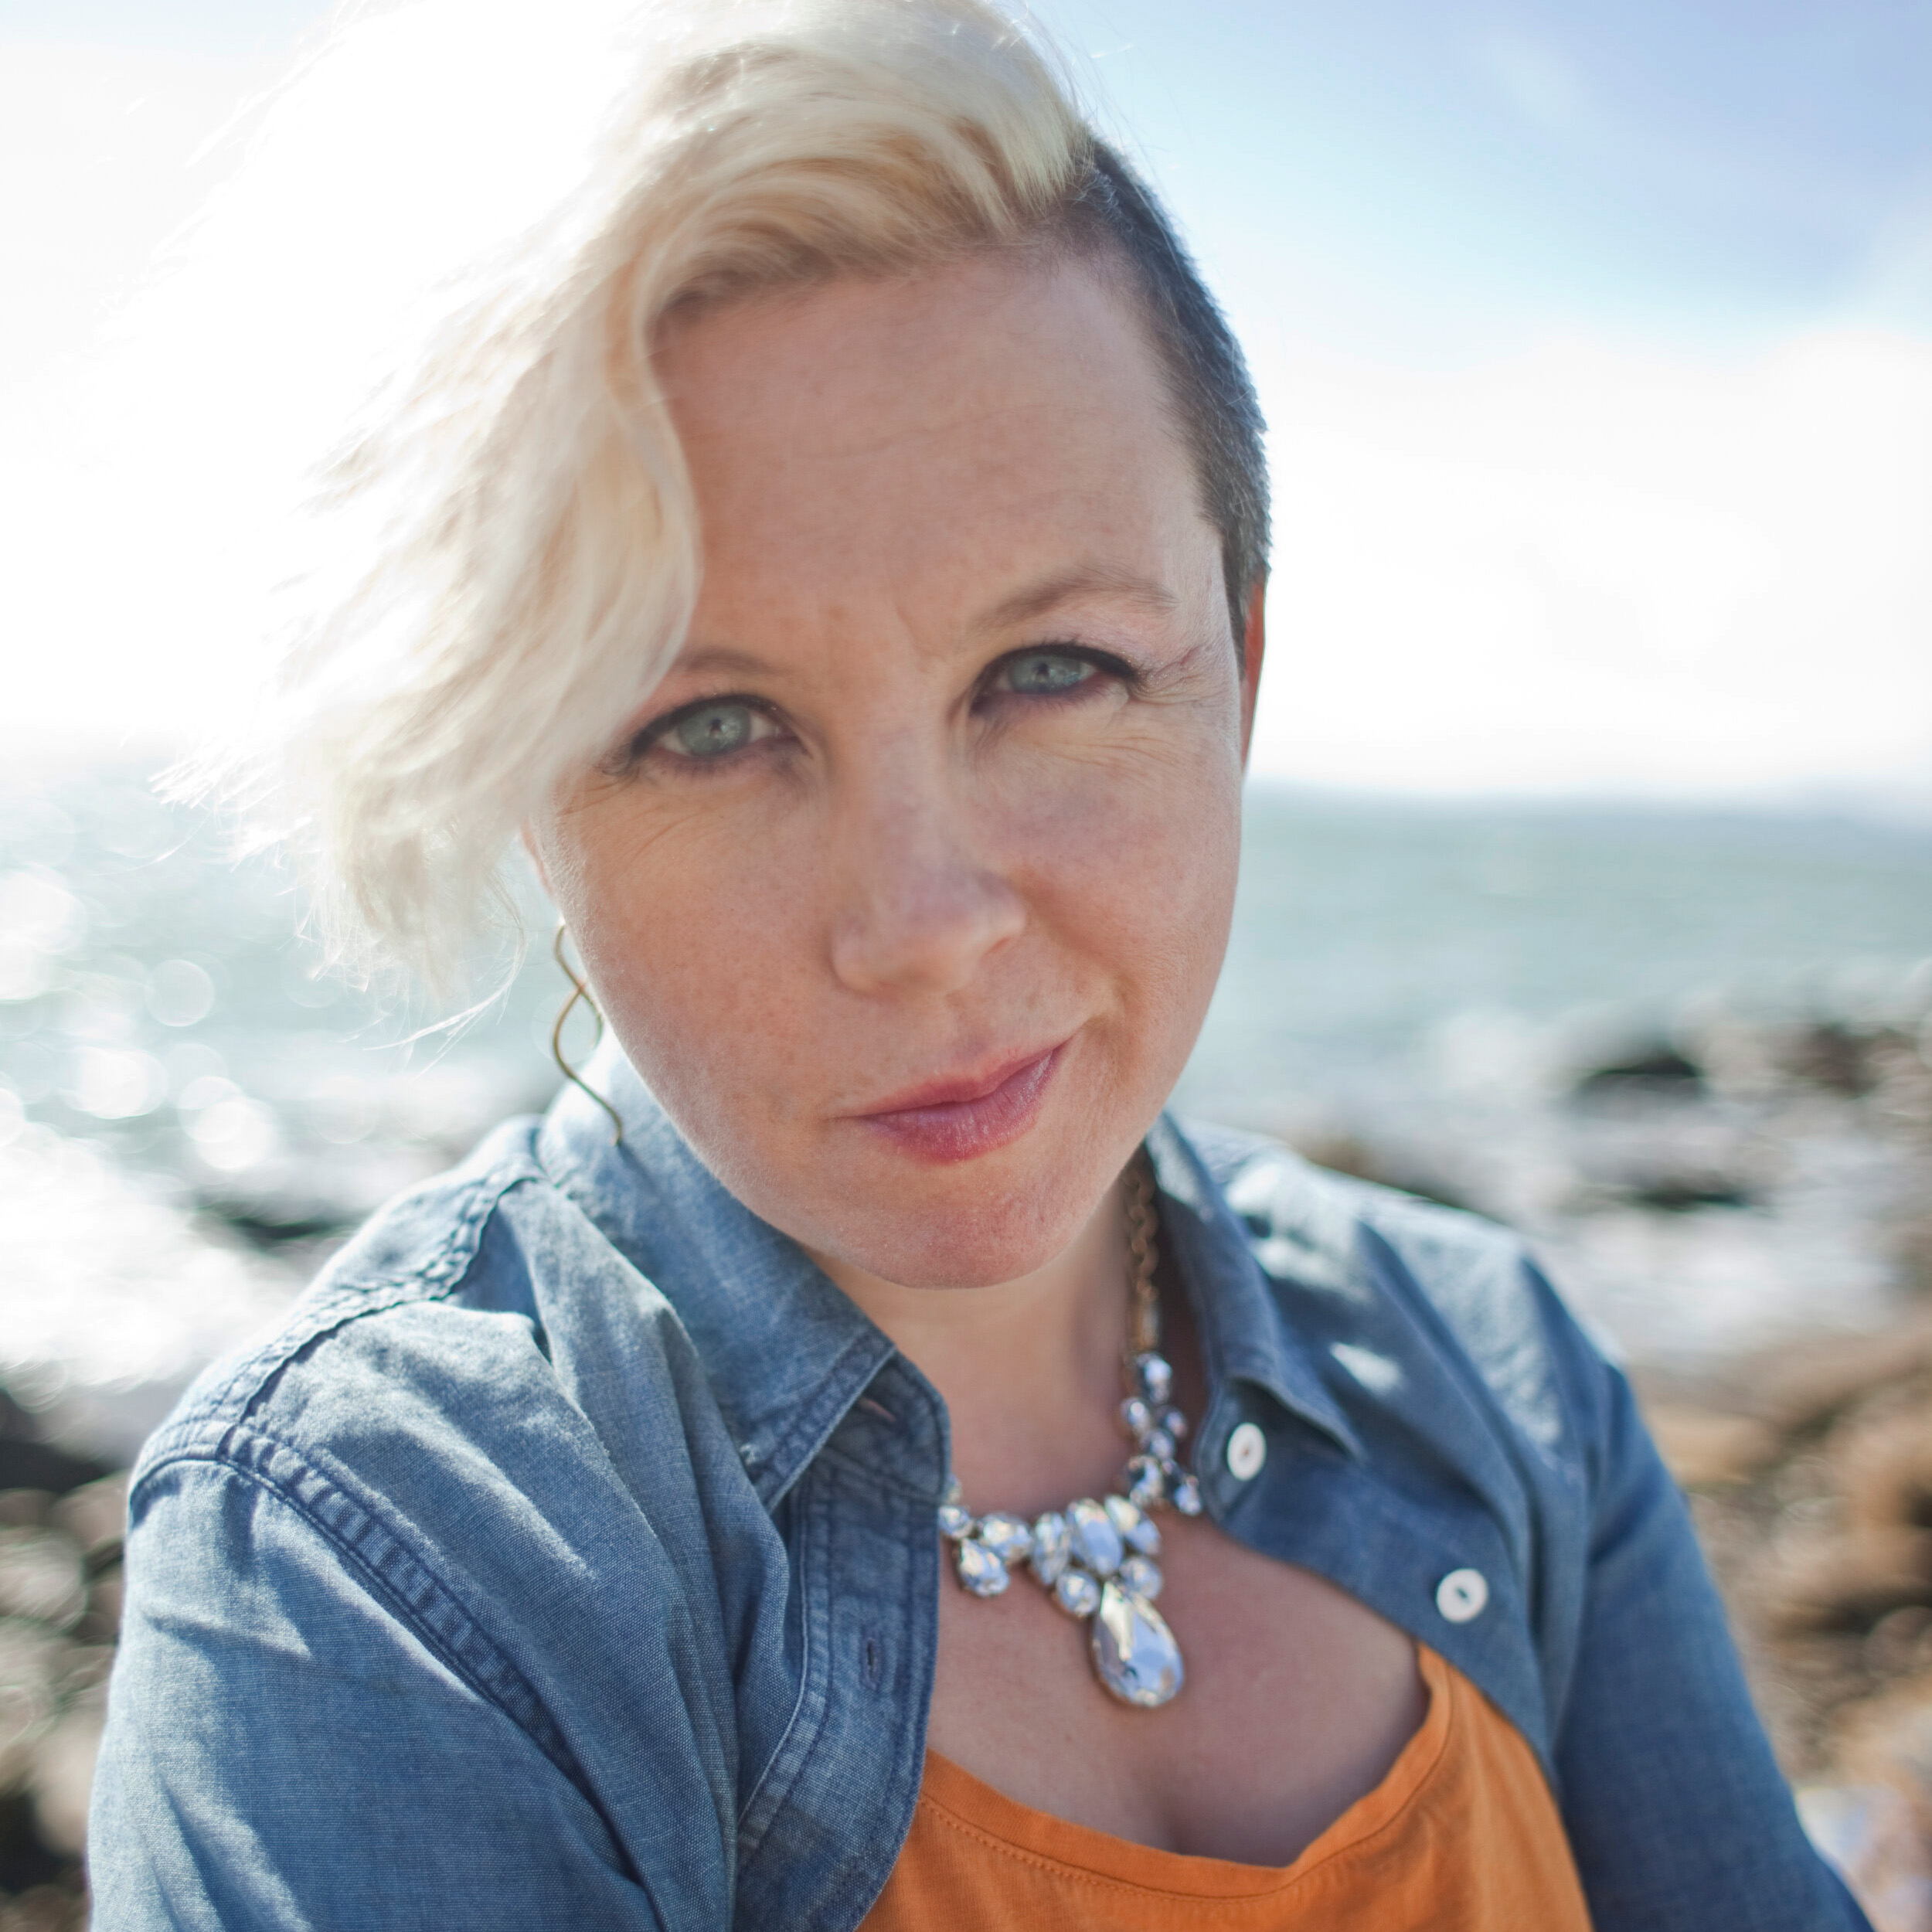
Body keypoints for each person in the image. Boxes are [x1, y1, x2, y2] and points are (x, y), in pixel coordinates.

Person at [89, 2, 1868, 1927]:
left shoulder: (1494, 1377)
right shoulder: (383, 1552)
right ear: (531, 790)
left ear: (1236, 680)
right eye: (707, 726)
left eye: (1050, 672)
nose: (923, 921)